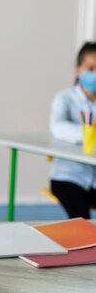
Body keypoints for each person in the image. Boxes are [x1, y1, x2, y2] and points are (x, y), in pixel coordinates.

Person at [50, 41, 96, 219]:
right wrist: (89, 134)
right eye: (90, 68)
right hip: (68, 177)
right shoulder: (65, 98)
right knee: (80, 219)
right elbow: (57, 127)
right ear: (78, 70)